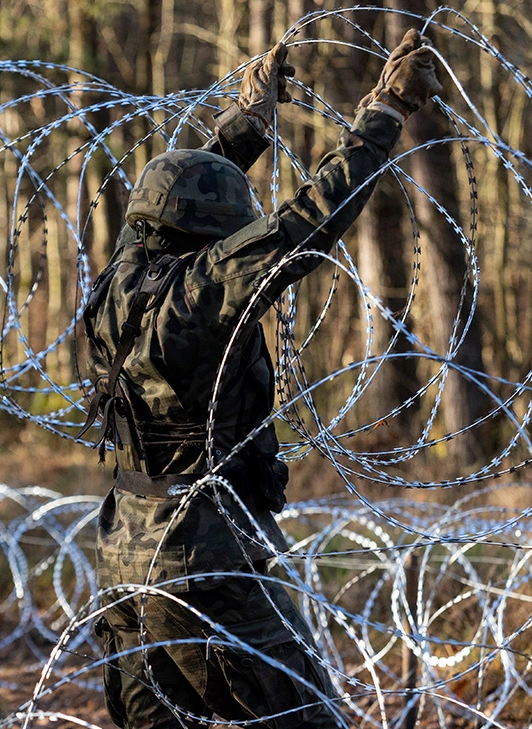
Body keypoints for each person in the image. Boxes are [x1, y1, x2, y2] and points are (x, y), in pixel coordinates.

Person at [83, 31, 442, 729]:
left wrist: (246, 128)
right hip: (206, 565)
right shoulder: (206, 289)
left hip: (124, 562)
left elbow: (175, 202)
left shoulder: (117, 280)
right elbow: (306, 225)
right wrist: (385, 111)